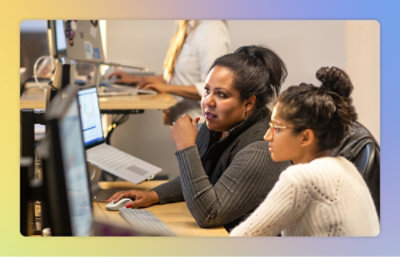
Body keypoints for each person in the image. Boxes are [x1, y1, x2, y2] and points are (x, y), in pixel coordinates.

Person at [107, 45, 290, 231]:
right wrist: (154, 195)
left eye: (221, 94)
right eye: (206, 91)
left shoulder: (261, 150)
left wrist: (186, 146)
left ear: (248, 103)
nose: (208, 102)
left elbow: (209, 214)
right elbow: (201, 178)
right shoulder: (218, 127)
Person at [230, 66, 380, 236]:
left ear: (305, 137)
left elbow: (240, 239)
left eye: (277, 128)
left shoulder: (301, 178)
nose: (267, 136)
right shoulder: (347, 167)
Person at [108, 20, 231, 124]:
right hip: (185, 123)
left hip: (200, 124)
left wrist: (167, 88)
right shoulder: (190, 28)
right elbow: (179, 77)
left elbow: (215, 89)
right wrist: (137, 80)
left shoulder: (211, 29)